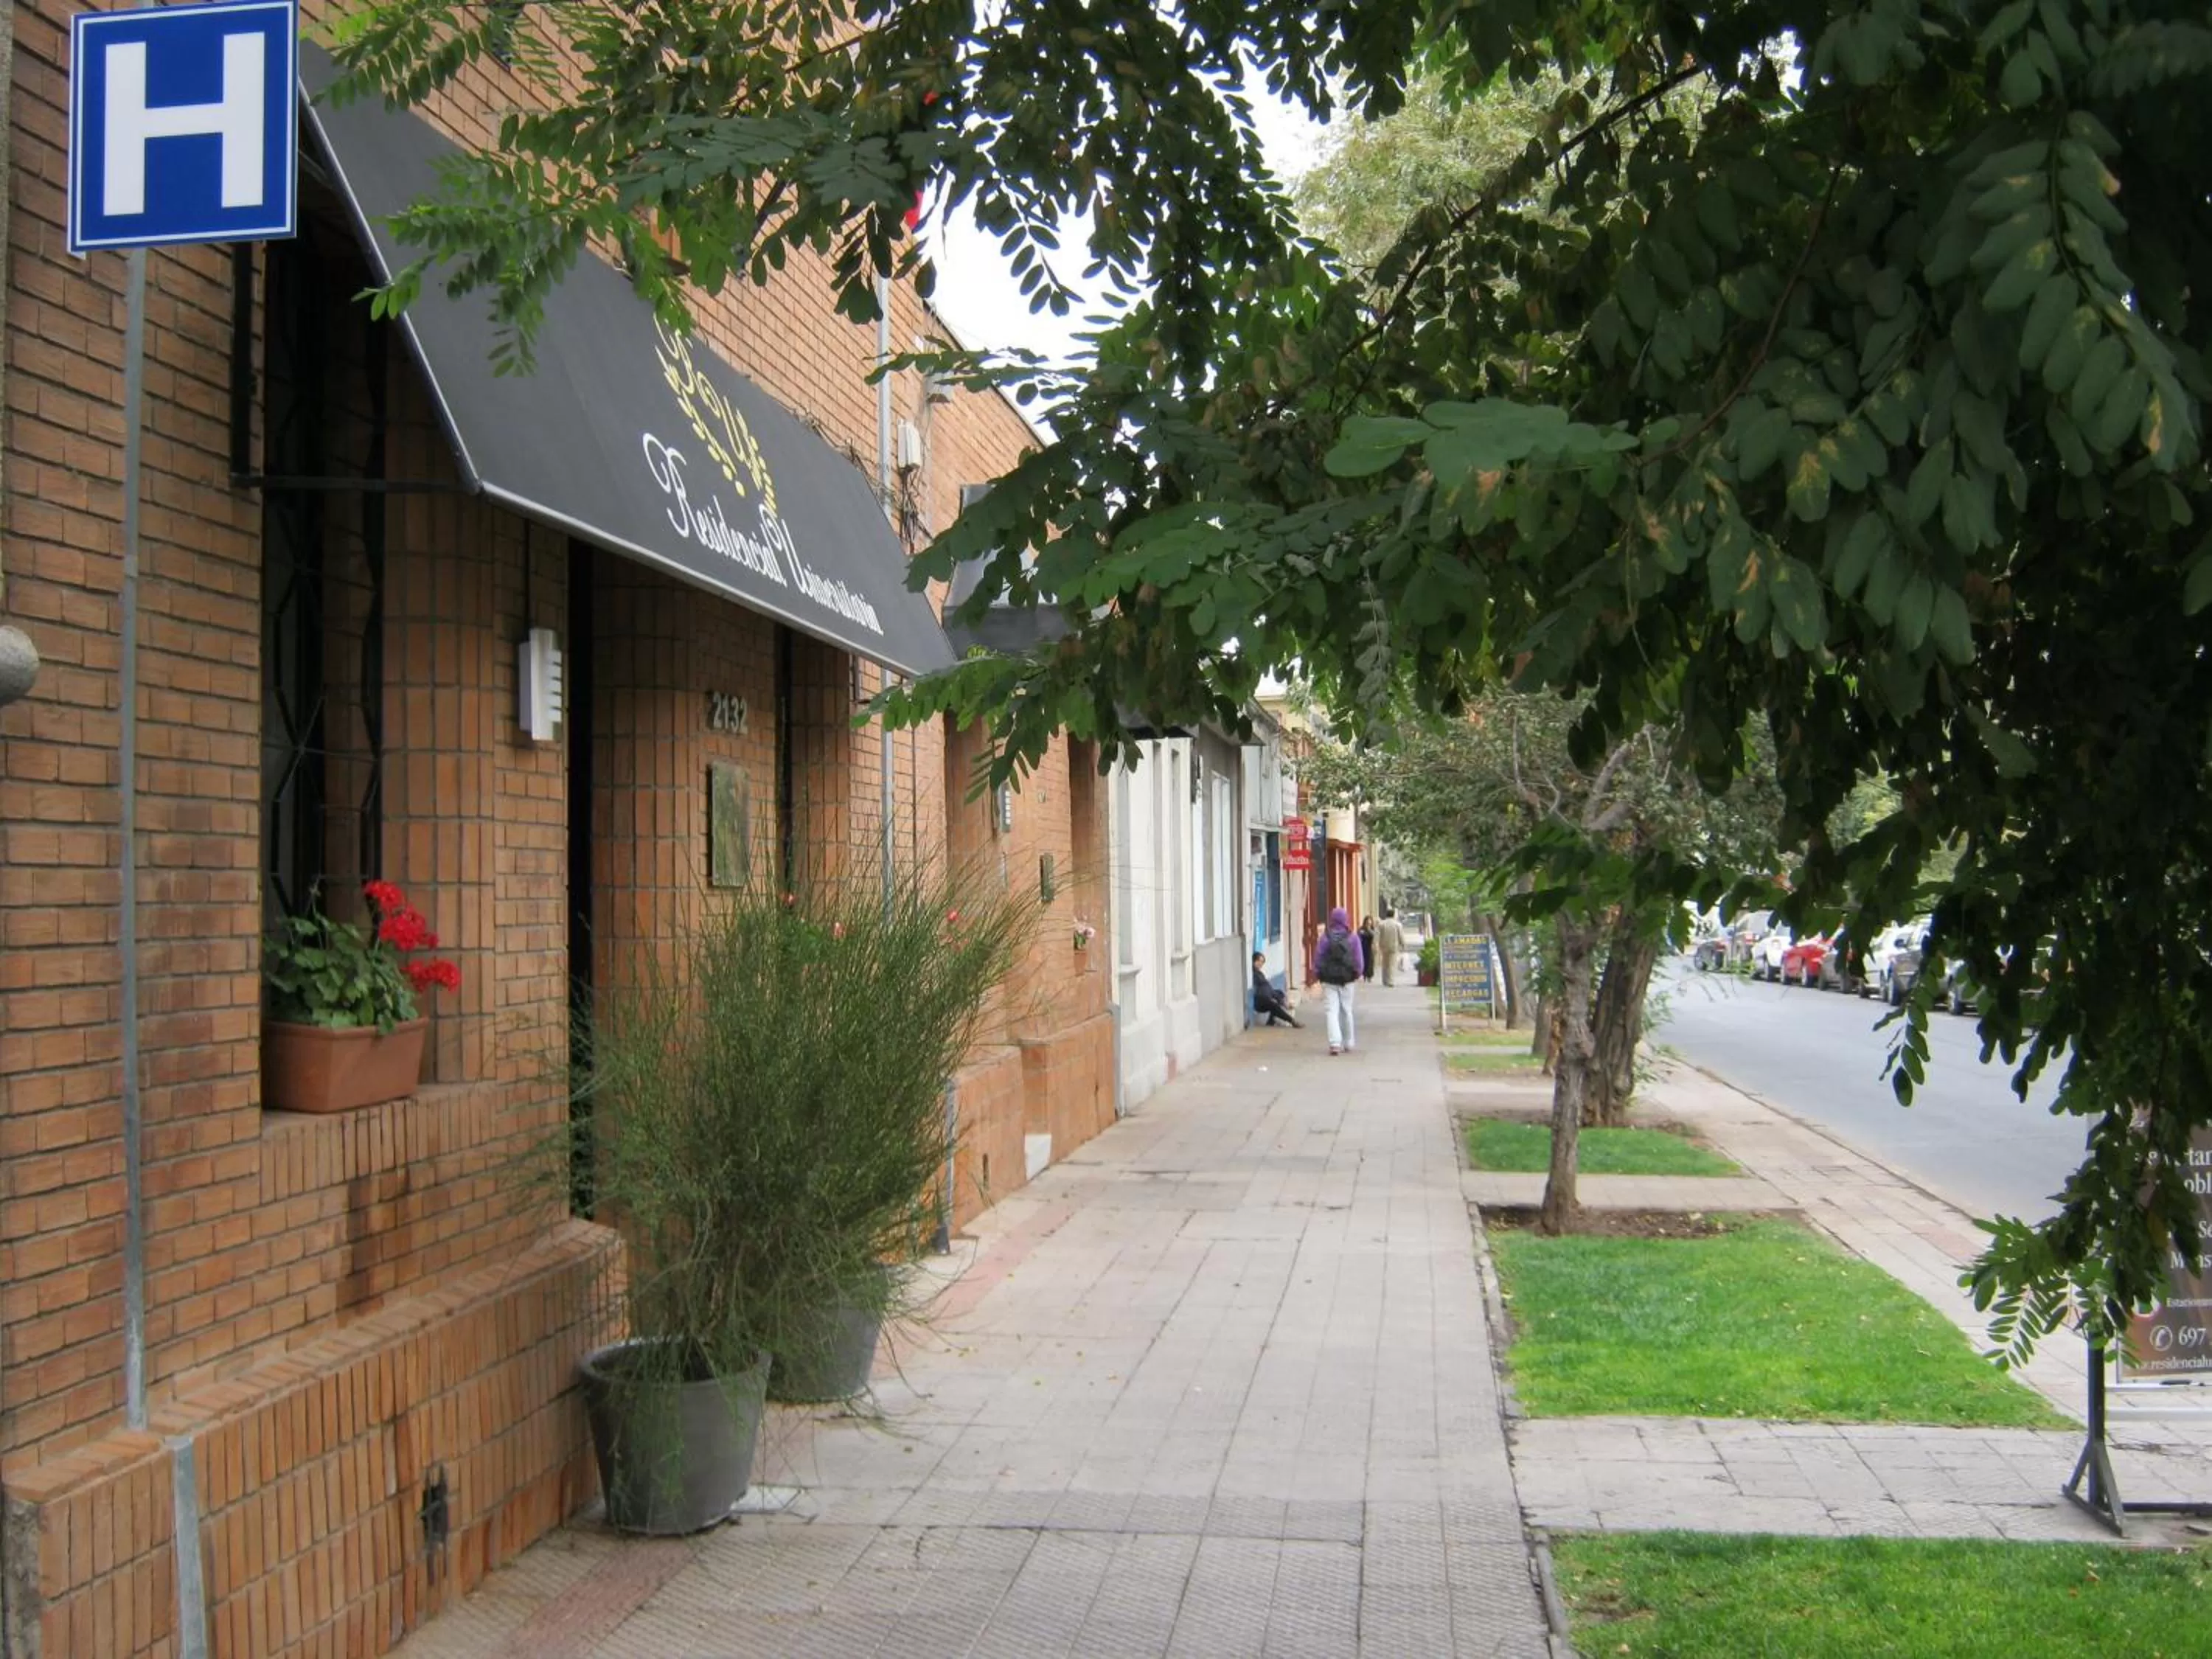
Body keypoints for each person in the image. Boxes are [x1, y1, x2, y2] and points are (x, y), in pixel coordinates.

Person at [1308, 906, 1365, 1054]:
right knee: (1347, 1010)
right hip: (1348, 979)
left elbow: (1318, 957)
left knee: (1331, 1011)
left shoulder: (1326, 937)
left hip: (1329, 980)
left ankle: (1335, 1043)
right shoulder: (1353, 938)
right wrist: (1357, 973)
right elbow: (1359, 959)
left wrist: (1318, 974)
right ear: (1346, 919)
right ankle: (1349, 1043)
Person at [1252, 953, 1300, 1027]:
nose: (1260, 964)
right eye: (1259, 961)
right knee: (1274, 1005)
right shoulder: (1252, 974)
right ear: (1254, 961)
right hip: (1259, 1000)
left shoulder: (1259, 973)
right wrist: (1271, 996)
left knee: (1279, 993)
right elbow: (1259, 990)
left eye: (1262, 962)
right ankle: (1292, 1021)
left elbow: (1268, 988)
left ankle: (1272, 1020)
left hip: (1266, 996)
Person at [1377, 910, 1405, 987]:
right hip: (1394, 946)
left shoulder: (1381, 924)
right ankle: (1391, 981)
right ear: (1393, 915)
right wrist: (1403, 944)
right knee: (1392, 964)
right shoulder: (1398, 925)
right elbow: (1401, 936)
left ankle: (1385, 980)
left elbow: (1377, 935)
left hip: (1384, 946)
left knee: (1385, 963)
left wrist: (1376, 944)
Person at [1358, 916, 1377, 982]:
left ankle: (1370, 976)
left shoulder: (1373, 929)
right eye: (1367, 921)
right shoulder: (1361, 929)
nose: (1369, 923)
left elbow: (1374, 936)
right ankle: (1364, 975)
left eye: (1370, 921)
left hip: (1370, 948)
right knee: (1364, 961)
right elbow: (1359, 936)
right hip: (1363, 947)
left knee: (1370, 962)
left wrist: (1369, 929)